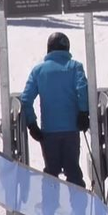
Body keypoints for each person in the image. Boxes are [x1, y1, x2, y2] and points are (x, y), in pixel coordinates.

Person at [20, 32, 90, 187]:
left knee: (51, 172)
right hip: (71, 129)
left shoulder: (38, 71)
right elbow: (82, 90)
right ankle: (79, 208)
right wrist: (84, 113)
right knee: (73, 171)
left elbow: (25, 100)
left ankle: (49, 208)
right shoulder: (74, 67)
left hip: (49, 131)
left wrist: (32, 125)